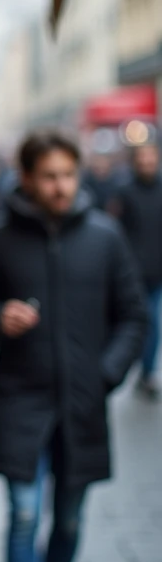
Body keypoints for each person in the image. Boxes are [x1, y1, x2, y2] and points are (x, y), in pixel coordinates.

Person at [0, 131, 146, 562]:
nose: (61, 187)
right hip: (21, 399)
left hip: (83, 403)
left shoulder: (105, 237)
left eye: (68, 175)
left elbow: (133, 315)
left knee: (67, 519)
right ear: (25, 178)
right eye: (49, 177)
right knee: (23, 514)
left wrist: (108, 373)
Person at [110, 143, 162, 399]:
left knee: (152, 321)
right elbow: (117, 230)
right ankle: (141, 367)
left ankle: (146, 369)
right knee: (145, 320)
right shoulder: (125, 192)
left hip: (158, 271)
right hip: (135, 271)